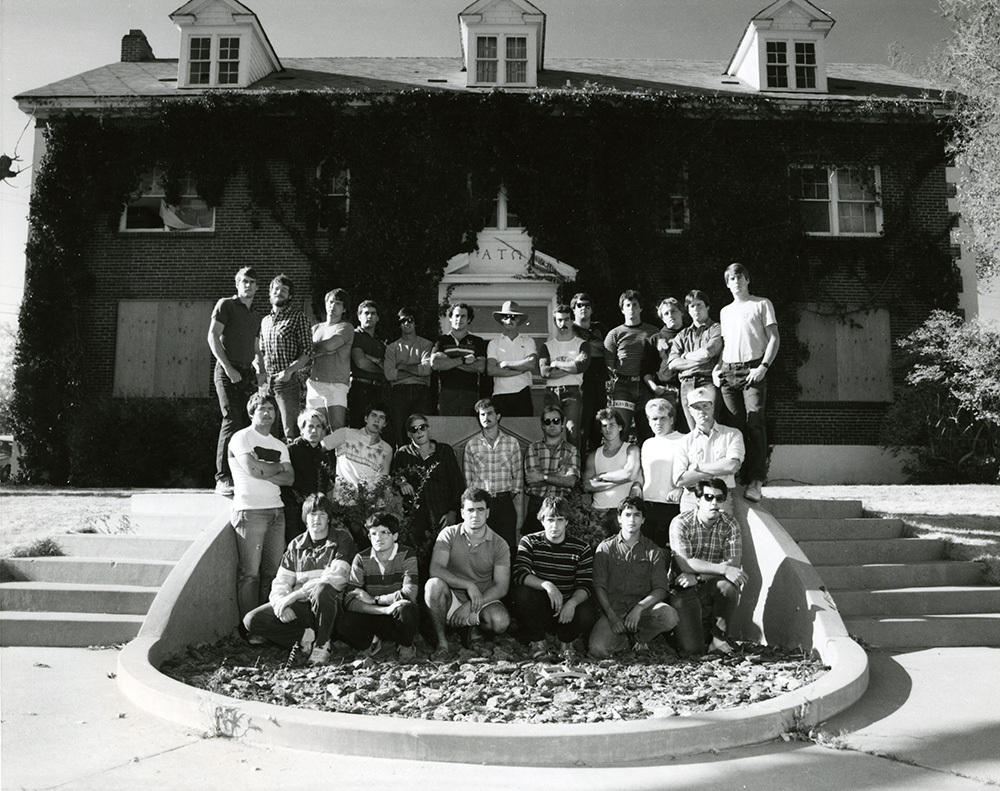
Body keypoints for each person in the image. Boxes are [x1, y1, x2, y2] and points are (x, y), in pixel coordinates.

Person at [243, 493, 355, 666]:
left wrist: (295, 595)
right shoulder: (296, 545)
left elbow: (336, 577)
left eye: (322, 514)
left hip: (331, 607)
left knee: (323, 589)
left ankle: (322, 644)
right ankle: (305, 637)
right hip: (303, 609)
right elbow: (281, 582)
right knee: (251, 620)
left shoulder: (342, 538)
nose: (316, 519)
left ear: (329, 519)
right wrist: (282, 603)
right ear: (305, 518)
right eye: (312, 514)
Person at [714, 263, 780, 503]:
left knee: (754, 423)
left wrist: (763, 367)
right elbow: (727, 343)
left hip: (753, 368)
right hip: (728, 371)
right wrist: (718, 368)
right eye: (731, 278)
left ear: (747, 280)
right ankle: (737, 477)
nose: (736, 281)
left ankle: (756, 480)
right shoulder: (725, 311)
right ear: (727, 283)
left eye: (740, 276)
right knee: (734, 427)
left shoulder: (761, 304)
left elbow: (774, 338)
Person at [228, 392, 293, 619]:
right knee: (250, 575)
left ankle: (266, 622)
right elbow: (251, 469)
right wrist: (273, 468)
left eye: (271, 409)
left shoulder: (279, 445)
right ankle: (250, 627)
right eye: (261, 409)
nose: (267, 414)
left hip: (277, 512)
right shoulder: (241, 438)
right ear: (251, 413)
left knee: (273, 573)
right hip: (250, 512)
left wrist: (262, 468)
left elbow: (290, 479)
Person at [424, 487, 511, 656]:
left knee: (500, 621)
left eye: (480, 510)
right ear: (462, 512)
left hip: (480, 599)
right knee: (433, 585)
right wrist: (467, 585)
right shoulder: (448, 534)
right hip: (451, 598)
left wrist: (470, 606)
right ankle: (442, 644)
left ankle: (474, 631)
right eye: (470, 510)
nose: (475, 515)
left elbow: (502, 587)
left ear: (487, 513)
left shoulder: (500, 544)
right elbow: (435, 569)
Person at [589, 497, 678, 658]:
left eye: (637, 515)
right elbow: (599, 586)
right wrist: (611, 616)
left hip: (642, 611)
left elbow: (661, 589)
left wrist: (639, 608)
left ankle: (640, 638)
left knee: (669, 615)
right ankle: (625, 640)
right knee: (598, 650)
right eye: (627, 514)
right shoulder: (606, 548)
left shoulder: (653, 551)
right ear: (619, 519)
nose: (632, 519)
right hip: (613, 611)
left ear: (643, 519)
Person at [510, 495, 596, 660]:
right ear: (542, 520)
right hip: (542, 606)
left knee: (588, 609)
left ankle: (566, 641)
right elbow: (519, 574)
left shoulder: (581, 548)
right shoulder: (530, 541)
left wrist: (572, 603)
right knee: (521, 593)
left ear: (567, 522)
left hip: (567, 609)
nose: (554, 525)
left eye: (559, 519)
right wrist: (547, 585)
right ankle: (538, 641)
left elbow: (585, 585)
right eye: (550, 519)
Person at [668, 478, 748, 655]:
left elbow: (733, 564)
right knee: (692, 649)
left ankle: (718, 641)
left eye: (719, 499)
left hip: (704, 583)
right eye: (708, 497)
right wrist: (723, 569)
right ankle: (686, 632)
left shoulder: (730, 524)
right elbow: (685, 563)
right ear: (698, 500)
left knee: (728, 586)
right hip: (682, 588)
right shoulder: (681, 523)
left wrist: (698, 577)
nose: (714, 503)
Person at [208, 266, 264, 497]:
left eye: (252, 282)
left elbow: (256, 348)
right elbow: (212, 336)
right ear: (237, 284)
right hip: (226, 370)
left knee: (248, 423)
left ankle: (241, 474)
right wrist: (229, 369)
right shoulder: (226, 305)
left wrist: (260, 371)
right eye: (244, 281)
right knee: (231, 418)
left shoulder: (256, 316)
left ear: (257, 287)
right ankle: (222, 478)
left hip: (247, 374)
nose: (248, 285)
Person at [338, 512, 420, 661]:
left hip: (397, 615)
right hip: (375, 614)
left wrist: (373, 599)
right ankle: (369, 644)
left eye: (384, 533)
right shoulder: (361, 558)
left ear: (395, 536)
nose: (378, 538)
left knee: (407, 610)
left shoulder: (407, 554)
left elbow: (410, 593)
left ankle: (406, 645)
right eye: (373, 534)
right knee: (344, 621)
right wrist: (382, 609)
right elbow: (350, 600)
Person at [391, 413, 465, 557]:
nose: (419, 432)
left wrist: (453, 511)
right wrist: (402, 481)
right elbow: (393, 475)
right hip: (415, 517)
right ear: (408, 434)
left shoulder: (444, 451)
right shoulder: (402, 453)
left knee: (445, 556)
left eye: (422, 427)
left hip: (442, 515)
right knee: (418, 557)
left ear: (428, 430)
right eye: (414, 429)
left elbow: (457, 483)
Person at [463, 398, 523, 556]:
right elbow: (469, 480)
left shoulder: (511, 443)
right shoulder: (472, 444)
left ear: (498, 416)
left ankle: (507, 581)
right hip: (481, 503)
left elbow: (517, 476)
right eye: (482, 414)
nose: (485, 417)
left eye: (490, 413)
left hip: (504, 502)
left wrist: (508, 497)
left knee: (507, 548)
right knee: (481, 548)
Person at [673, 386, 744, 515]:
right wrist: (719, 470)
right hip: (691, 500)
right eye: (697, 407)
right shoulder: (684, 442)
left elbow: (732, 466)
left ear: (712, 407)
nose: (702, 411)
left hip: (721, 499)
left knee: (721, 535)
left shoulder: (732, 434)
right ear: (690, 411)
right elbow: (680, 479)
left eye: (705, 406)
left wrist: (696, 467)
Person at [260, 274, 312, 441]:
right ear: (270, 292)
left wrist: (289, 371)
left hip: (287, 383)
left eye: (284, 290)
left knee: (290, 433)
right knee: (266, 431)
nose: (279, 292)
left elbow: (308, 351)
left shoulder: (298, 317)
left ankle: (292, 467)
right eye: (276, 289)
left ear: (290, 296)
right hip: (266, 384)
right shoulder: (265, 321)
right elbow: (261, 351)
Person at [604, 289, 659, 441]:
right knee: (621, 431)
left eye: (635, 305)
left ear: (641, 308)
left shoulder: (653, 331)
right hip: (623, 387)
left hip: (646, 387)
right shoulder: (614, 334)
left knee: (648, 432)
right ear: (622, 309)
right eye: (627, 305)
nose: (631, 308)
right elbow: (609, 363)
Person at [322, 402, 393, 515]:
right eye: (373, 415)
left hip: (371, 507)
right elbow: (318, 448)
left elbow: (383, 479)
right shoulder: (345, 434)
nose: (377, 420)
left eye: (382, 418)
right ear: (366, 418)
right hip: (343, 502)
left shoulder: (387, 449)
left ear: (384, 424)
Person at [669, 289, 723, 433]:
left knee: (710, 427)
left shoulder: (716, 329)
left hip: (707, 383)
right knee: (693, 431)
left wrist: (685, 356)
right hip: (686, 385)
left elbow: (707, 353)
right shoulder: (682, 335)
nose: (696, 309)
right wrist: (698, 358)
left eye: (700, 305)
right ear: (688, 310)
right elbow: (673, 363)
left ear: (707, 307)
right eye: (692, 306)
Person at [538, 303, 590, 448]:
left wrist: (557, 364)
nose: (563, 323)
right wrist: (572, 366)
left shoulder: (582, 344)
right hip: (551, 392)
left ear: (572, 320)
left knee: (572, 431)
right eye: (559, 320)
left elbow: (581, 367)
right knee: (551, 430)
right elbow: (545, 372)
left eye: (566, 319)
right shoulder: (547, 346)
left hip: (572, 392)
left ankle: (575, 468)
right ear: (555, 322)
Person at [281, 408, 336, 544]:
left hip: (317, 514)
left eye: (318, 427)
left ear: (323, 431)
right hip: (293, 512)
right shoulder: (290, 450)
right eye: (310, 426)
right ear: (302, 430)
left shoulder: (324, 456)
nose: (314, 430)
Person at [523, 405, 579, 536]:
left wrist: (543, 477)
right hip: (537, 504)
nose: (552, 424)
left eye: (556, 421)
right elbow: (531, 481)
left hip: (563, 503)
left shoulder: (572, 450)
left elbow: (571, 481)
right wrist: (559, 477)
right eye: (548, 421)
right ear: (543, 425)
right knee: (535, 546)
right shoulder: (533, 448)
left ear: (562, 424)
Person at [639, 398, 685, 547]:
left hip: (671, 506)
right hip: (647, 505)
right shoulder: (647, 444)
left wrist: (682, 488)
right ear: (648, 421)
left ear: (671, 419)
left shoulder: (684, 440)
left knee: (665, 556)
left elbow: (694, 471)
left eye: (663, 418)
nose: (658, 423)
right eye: (654, 419)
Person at [383, 307, 433, 446]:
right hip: (399, 392)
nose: (406, 323)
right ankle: (403, 466)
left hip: (421, 391)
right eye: (403, 321)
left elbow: (426, 370)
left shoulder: (426, 344)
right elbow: (389, 374)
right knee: (400, 433)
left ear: (415, 322)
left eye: (410, 320)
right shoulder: (392, 347)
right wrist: (416, 368)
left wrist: (403, 367)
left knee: (422, 430)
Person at [583, 408, 641, 525]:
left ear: (620, 427)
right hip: (599, 511)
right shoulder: (594, 455)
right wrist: (620, 480)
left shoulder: (631, 449)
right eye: (604, 426)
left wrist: (602, 476)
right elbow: (587, 485)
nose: (608, 429)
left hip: (624, 511)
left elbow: (630, 474)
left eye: (612, 425)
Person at [308, 288, 354, 433]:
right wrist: (323, 350)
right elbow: (305, 353)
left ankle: (338, 457)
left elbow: (330, 345)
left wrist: (317, 349)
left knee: (337, 431)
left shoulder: (346, 327)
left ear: (344, 309)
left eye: (338, 303)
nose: (333, 306)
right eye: (331, 302)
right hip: (315, 384)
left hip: (336, 385)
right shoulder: (315, 329)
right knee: (316, 430)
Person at [431, 302, 487, 417]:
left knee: (469, 431)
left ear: (469, 319)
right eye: (456, 316)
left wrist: (449, 361)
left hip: (470, 394)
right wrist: (463, 360)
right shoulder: (442, 340)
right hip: (447, 393)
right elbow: (435, 364)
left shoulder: (477, 341)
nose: (459, 319)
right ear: (450, 318)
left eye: (463, 316)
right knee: (448, 431)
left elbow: (480, 367)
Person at [571, 292, 608, 459]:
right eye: (579, 305)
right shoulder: (570, 329)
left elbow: (608, 349)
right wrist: (595, 347)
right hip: (580, 382)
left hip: (600, 382)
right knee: (582, 427)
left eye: (587, 305)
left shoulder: (599, 327)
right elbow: (577, 350)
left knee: (598, 425)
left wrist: (587, 347)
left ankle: (595, 466)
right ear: (573, 309)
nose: (583, 308)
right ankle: (579, 467)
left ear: (592, 310)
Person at [486, 300, 537, 417]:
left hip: (522, 393)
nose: (509, 320)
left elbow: (531, 364)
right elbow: (491, 370)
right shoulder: (494, 343)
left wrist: (505, 364)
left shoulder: (527, 341)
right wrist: (520, 370)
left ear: (519, 320)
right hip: (500, 394)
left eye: (513, 317)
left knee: (524, 432)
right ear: (502, 320)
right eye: (506, 317)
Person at [642, 297, 685, 429]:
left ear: (682, 312)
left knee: (688, 431)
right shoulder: (655, 339)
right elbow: (645, 369)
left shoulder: (690, 334)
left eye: (674, 311)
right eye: (666, 313)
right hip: (665, 391)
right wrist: (654, 387)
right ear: (661, 317)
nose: (670, 315)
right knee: (666, 431)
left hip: (688, 388)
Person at [349, 299, 387, 429]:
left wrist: (372, 359)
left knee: (374, 431)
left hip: (378, 391)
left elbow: (387, 364)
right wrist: (382, 368)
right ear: (359, 316)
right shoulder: (355, 335)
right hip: (360, 388)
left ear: (378, 318)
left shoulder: (380, 343)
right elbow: (361, 363)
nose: (369, 316)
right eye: (366, 313)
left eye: (373, 313)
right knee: (357, 429)